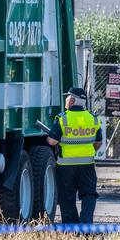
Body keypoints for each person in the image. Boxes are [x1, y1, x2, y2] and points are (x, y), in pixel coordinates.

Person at [47, 87, 102, 224]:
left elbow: (52, 141)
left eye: (67, 97)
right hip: (87, 166)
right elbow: (98, 142)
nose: (66, 100)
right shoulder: (93, 119)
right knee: (89, 194)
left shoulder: (62, 119)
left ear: (71, 101)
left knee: (66, 197)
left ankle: (72, 229)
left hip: (65, 167)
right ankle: (85, 224)